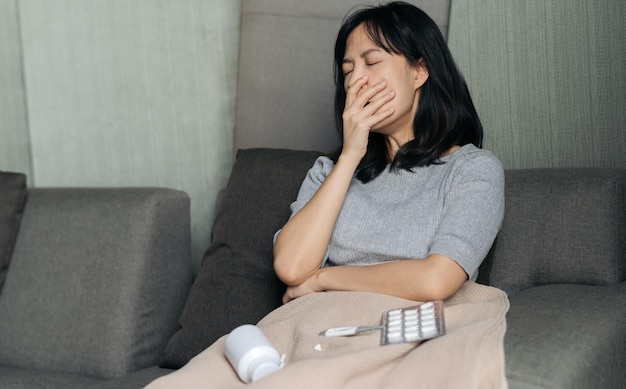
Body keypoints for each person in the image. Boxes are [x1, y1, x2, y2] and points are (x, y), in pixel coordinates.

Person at [273, 1, 504, 304]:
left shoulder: (471, 169)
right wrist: (350, 157)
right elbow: (291, 268)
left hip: (406, 332)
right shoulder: (328, 172)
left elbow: (437, 280)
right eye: (348, 70)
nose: (356, 80)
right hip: (315, 327)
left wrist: (321, 279)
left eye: (372, 62)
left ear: (419, 71)